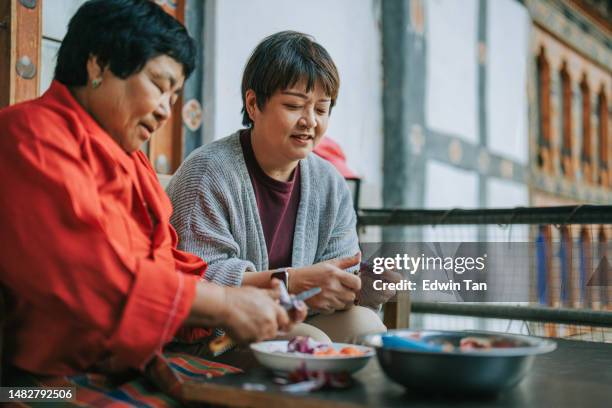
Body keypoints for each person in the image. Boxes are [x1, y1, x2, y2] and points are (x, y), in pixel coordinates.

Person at [0, 0, 304, 378]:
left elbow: (170, 268)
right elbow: (91, 275)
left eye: (174, 96)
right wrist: (224, 302)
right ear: (99, 64)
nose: (165, 110)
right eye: (159, 86)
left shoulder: (132, 161)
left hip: (130, 366)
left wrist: (262, 292)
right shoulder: (28, 136)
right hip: (41, 383)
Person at [167, 31, 390, 344]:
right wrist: (291, 282)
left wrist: (358, 287)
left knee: (368, 331)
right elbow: (196, 281)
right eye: (294, 105)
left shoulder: (330, 183)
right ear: (254, 103)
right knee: (308, 344)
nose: (310, 121)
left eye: (322, 109)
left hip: (295, 320)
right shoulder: (208, 173)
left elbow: (339, 272)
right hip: (219, 336)